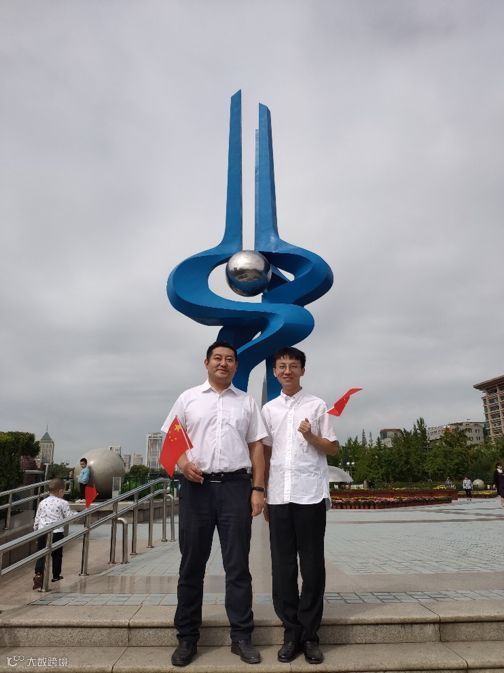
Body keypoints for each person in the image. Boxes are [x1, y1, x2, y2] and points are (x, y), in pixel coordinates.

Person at [161, 341, 268, 667]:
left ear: (236, 365)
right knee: (192, 564)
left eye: (230, 359)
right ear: (206, 362)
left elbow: (257, 447)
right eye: (217, 358)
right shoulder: (188, 398)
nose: (223, 363)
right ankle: (187, 638)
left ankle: (242, 636)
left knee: (238, 566)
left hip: (236, 488)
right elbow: (171, 439)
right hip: (197, 489)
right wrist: (183, 464)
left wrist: (258, 488)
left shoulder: (246, 402)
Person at [261, 346, 340, 665]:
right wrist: (263, 491)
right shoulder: (268, 410)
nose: (287, 371)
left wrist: (311, 437)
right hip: (279, 495)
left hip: (310, 495)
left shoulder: (317, 405)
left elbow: (333, 448)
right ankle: (290, 632)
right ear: (275, 372)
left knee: (312, 566)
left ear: (302, 370)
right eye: (281, 366)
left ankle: (309, 636)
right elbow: (266, 452)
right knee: (282, 567)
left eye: (293, 365)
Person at [32, 478, 73, 589]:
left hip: (42, 532)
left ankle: (39, 573)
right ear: (60, 491)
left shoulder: (42, 502)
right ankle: (56, 575)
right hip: (56, 532)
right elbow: (69, 517)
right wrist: (78, 514)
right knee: (57, 555)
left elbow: (37, 518)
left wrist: (35, 531)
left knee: (41, 554)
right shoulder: (63, 503)